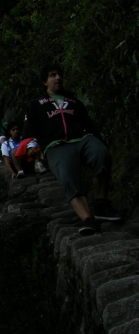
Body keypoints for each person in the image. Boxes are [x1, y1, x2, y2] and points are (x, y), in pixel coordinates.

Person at [22, 63, 122, 235]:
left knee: (101, 153)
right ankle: (88, 220)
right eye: (52, 75)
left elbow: (89, 124)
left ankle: (101, 204)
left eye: (59, 75)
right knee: (68, 176)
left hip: (82, 138)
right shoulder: (36, 105)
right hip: (56, 145)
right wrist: (31, 146)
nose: (58, 78)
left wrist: (99, 140)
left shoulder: (74, 102)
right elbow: (29, 130)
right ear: (44, 82)